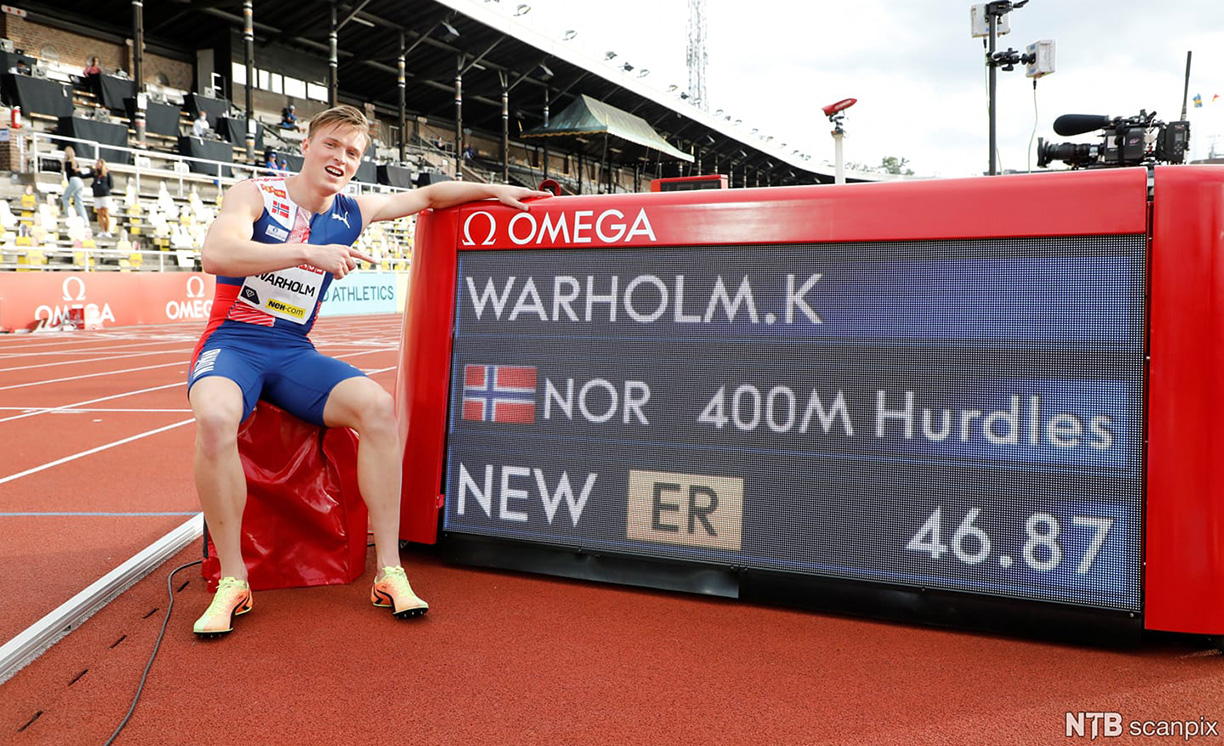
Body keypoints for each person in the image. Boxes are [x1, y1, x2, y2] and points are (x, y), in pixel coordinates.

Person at [188, 104, 549, 636]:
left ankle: (390, 571)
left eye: (353, 153)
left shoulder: (352, 209)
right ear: (307, 144)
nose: (341, 159)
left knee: (378, 408)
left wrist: (494, 191)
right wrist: (306, 252)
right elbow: (216, 254)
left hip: (291, 350)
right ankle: (234, 581)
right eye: (332, 145)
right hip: (232, 343)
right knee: (216, 419)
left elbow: (426, 196)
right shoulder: (255, 194)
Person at [59, 146, 88, 224]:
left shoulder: (67, 163)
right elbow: (80, 174)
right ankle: (85, 221)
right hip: (80, 182)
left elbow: (68, 176)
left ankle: (69, 215)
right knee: (79, 202)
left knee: (65, 198)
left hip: (73, 180)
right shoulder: (76, 162)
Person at [90, 158, 114, 237]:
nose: (97, 165)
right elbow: (85, 175)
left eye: (98, 163)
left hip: (105, 195)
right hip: (97, 195)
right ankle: (102, 230)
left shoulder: (107, 174)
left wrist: (104, 188)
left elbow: (111, 185)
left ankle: (107, 231)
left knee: (105, 213)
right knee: (99, 214)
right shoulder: (95, 173)